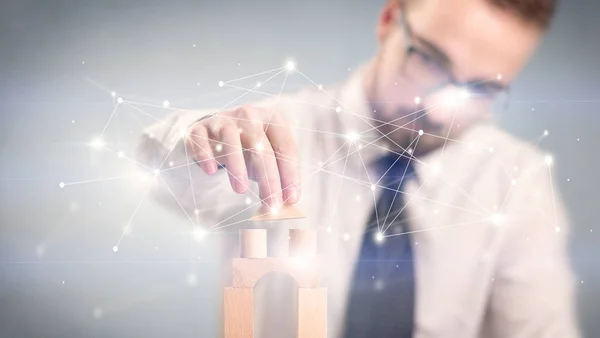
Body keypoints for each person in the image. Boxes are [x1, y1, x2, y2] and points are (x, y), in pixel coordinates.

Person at [135, 0, 580, 336]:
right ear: (389, 20)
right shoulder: (272, 136)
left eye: (481, 89)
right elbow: (168, 174)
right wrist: (199, 138)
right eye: (429, 61)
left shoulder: (515, 179)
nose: (442, 114)